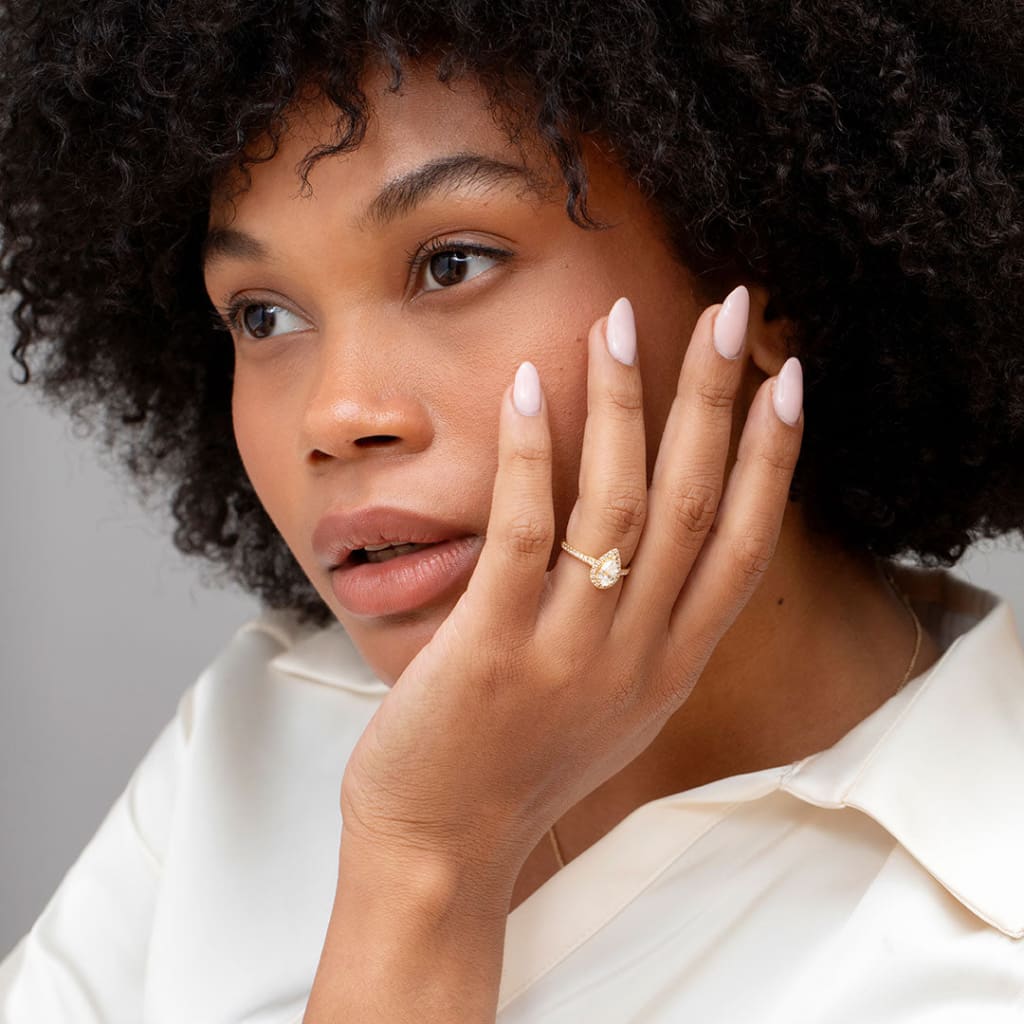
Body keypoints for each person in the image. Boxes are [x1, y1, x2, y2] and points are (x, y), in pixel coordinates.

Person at [1, 1, 1022, 1020]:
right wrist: (421, 861)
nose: (336, 413)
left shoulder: (985, 932)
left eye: (453, 262)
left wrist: (429, 862)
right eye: (261, 316)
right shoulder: (257, 732)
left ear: (764, 280)